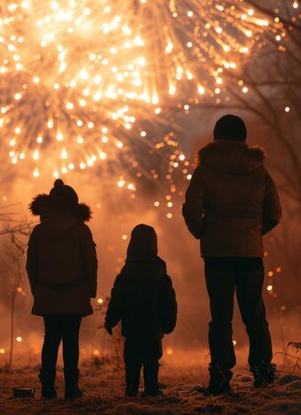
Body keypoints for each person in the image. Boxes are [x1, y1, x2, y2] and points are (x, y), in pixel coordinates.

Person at [182, 114, 282, 395]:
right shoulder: (259, 170)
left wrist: (204, 231)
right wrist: (253, 234)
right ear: (243, 137)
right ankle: (263, 373)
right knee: (255, 316)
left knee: (221, 317)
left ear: (216, 136)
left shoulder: (205, 169)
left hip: (217, 255)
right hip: (251, 255)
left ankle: (221, 376)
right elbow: (274, 212)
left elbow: (191, 208)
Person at [26, 178, 97, 400]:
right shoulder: (81, 230)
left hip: (48, 292)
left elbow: (31, 265)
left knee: (50, 339)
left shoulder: (39, 231)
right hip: (75, 292)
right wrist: (90, 290)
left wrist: (37, 290)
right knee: (71, 340)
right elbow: (90, 263)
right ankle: (71, 388)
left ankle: (47, 387)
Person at [104, 224, 177, 397]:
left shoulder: (125, 275)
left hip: (132, 330)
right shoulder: (161, 276)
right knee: (152, 361)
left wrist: (110, 320)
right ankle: (151, 388)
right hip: (153, 330)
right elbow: (168, 304)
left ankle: (131, 388)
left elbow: (117, 301)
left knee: (132, 361)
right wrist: (168, 324)